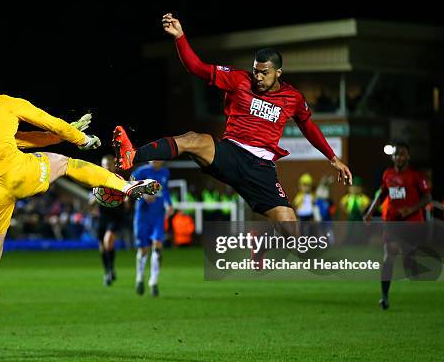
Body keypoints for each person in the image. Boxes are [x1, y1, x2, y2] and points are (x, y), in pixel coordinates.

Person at [0, 64, 161, 362]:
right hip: (16, 174)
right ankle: (126, 186)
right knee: (66, 164)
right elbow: (48, 122)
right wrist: (79, 139)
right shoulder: (6, 103)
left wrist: (64, 133)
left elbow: (22, 140)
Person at [113, 13, 352, 223]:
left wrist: (333, 158)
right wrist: (180, 37)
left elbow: (308, 126)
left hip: (261, 168)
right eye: (256, 70)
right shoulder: (239, 79)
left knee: (291, 230)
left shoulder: (293, 98)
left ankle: (260, 244)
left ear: (278, 73)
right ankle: (132, 155)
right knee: (193, 139)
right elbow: (198, 67)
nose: (258, 76)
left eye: (264, 73)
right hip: (230, 153)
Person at [363, 143, 431, 310]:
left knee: (408, 255)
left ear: (408, 156)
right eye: (396, 154)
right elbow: (382, 193)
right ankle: (384, 297)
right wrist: (370, 211)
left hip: (412, 222)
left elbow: (427, 197)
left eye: (402, 154)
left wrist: (411, 208)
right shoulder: (388, 174)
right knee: (389, 254)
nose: (399, 157)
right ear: (392, 157)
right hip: (392, 221)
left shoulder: (416, 176)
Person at [132, 161, 173, 297]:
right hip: (143, 216)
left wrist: (169, 205)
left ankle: (154, 282)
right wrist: (144, 195)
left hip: (158, 216)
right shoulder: (141, 172)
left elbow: (165, 190)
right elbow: (129, 186)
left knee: (157, 247)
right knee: (143, 250)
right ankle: (139, 278)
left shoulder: (165, 173)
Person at [92, 154, 129, 286]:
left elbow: (127, 202)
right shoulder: (97, 180)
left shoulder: (119, 180)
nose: (107, 167)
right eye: (105, 165)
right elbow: (91, 203)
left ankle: (110, 270)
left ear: (114, 166)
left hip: (116, 216)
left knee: (108, 241)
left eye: (109, 165)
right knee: (102, 246)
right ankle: (108, 270)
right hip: (103, 217)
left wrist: (127, 198)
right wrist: (94, 200)